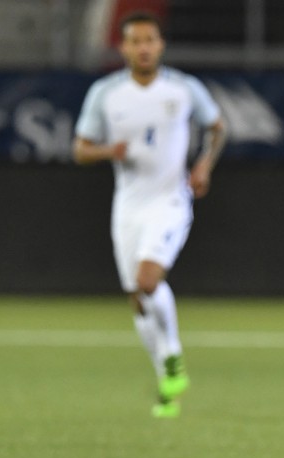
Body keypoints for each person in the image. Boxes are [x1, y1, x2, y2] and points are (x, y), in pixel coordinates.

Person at [73, 12, 226, 419]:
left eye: (149, 40)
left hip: (170, 201)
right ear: (122, 47)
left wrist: (204, 166)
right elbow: (80, 148)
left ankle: (172, 353)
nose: (143, 48)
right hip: (128, 206)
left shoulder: (183, 88)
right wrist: (109, 151)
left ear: (160, 45)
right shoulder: (106, 93)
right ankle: (166, 381)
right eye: (134, 41)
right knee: (138, 300)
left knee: (147, 280)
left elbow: (217, 127)